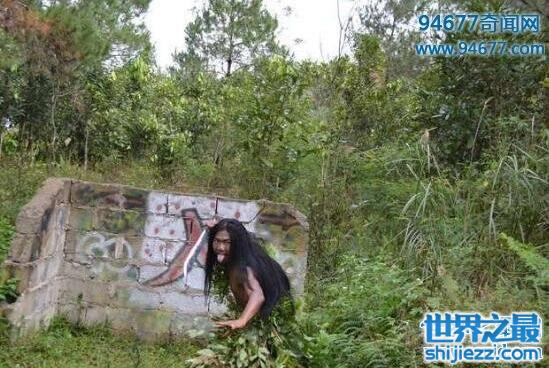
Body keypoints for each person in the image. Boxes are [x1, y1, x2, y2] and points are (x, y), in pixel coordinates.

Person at [204, 218, 293, 330]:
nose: (220, 248)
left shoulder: (244, 267)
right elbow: (234, 231)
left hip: (269, 320)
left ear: (236, 243)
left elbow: (257, 295)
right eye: (217, 241)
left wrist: (242, 320)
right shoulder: (243, 247)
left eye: (226, 242)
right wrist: (215, 228)